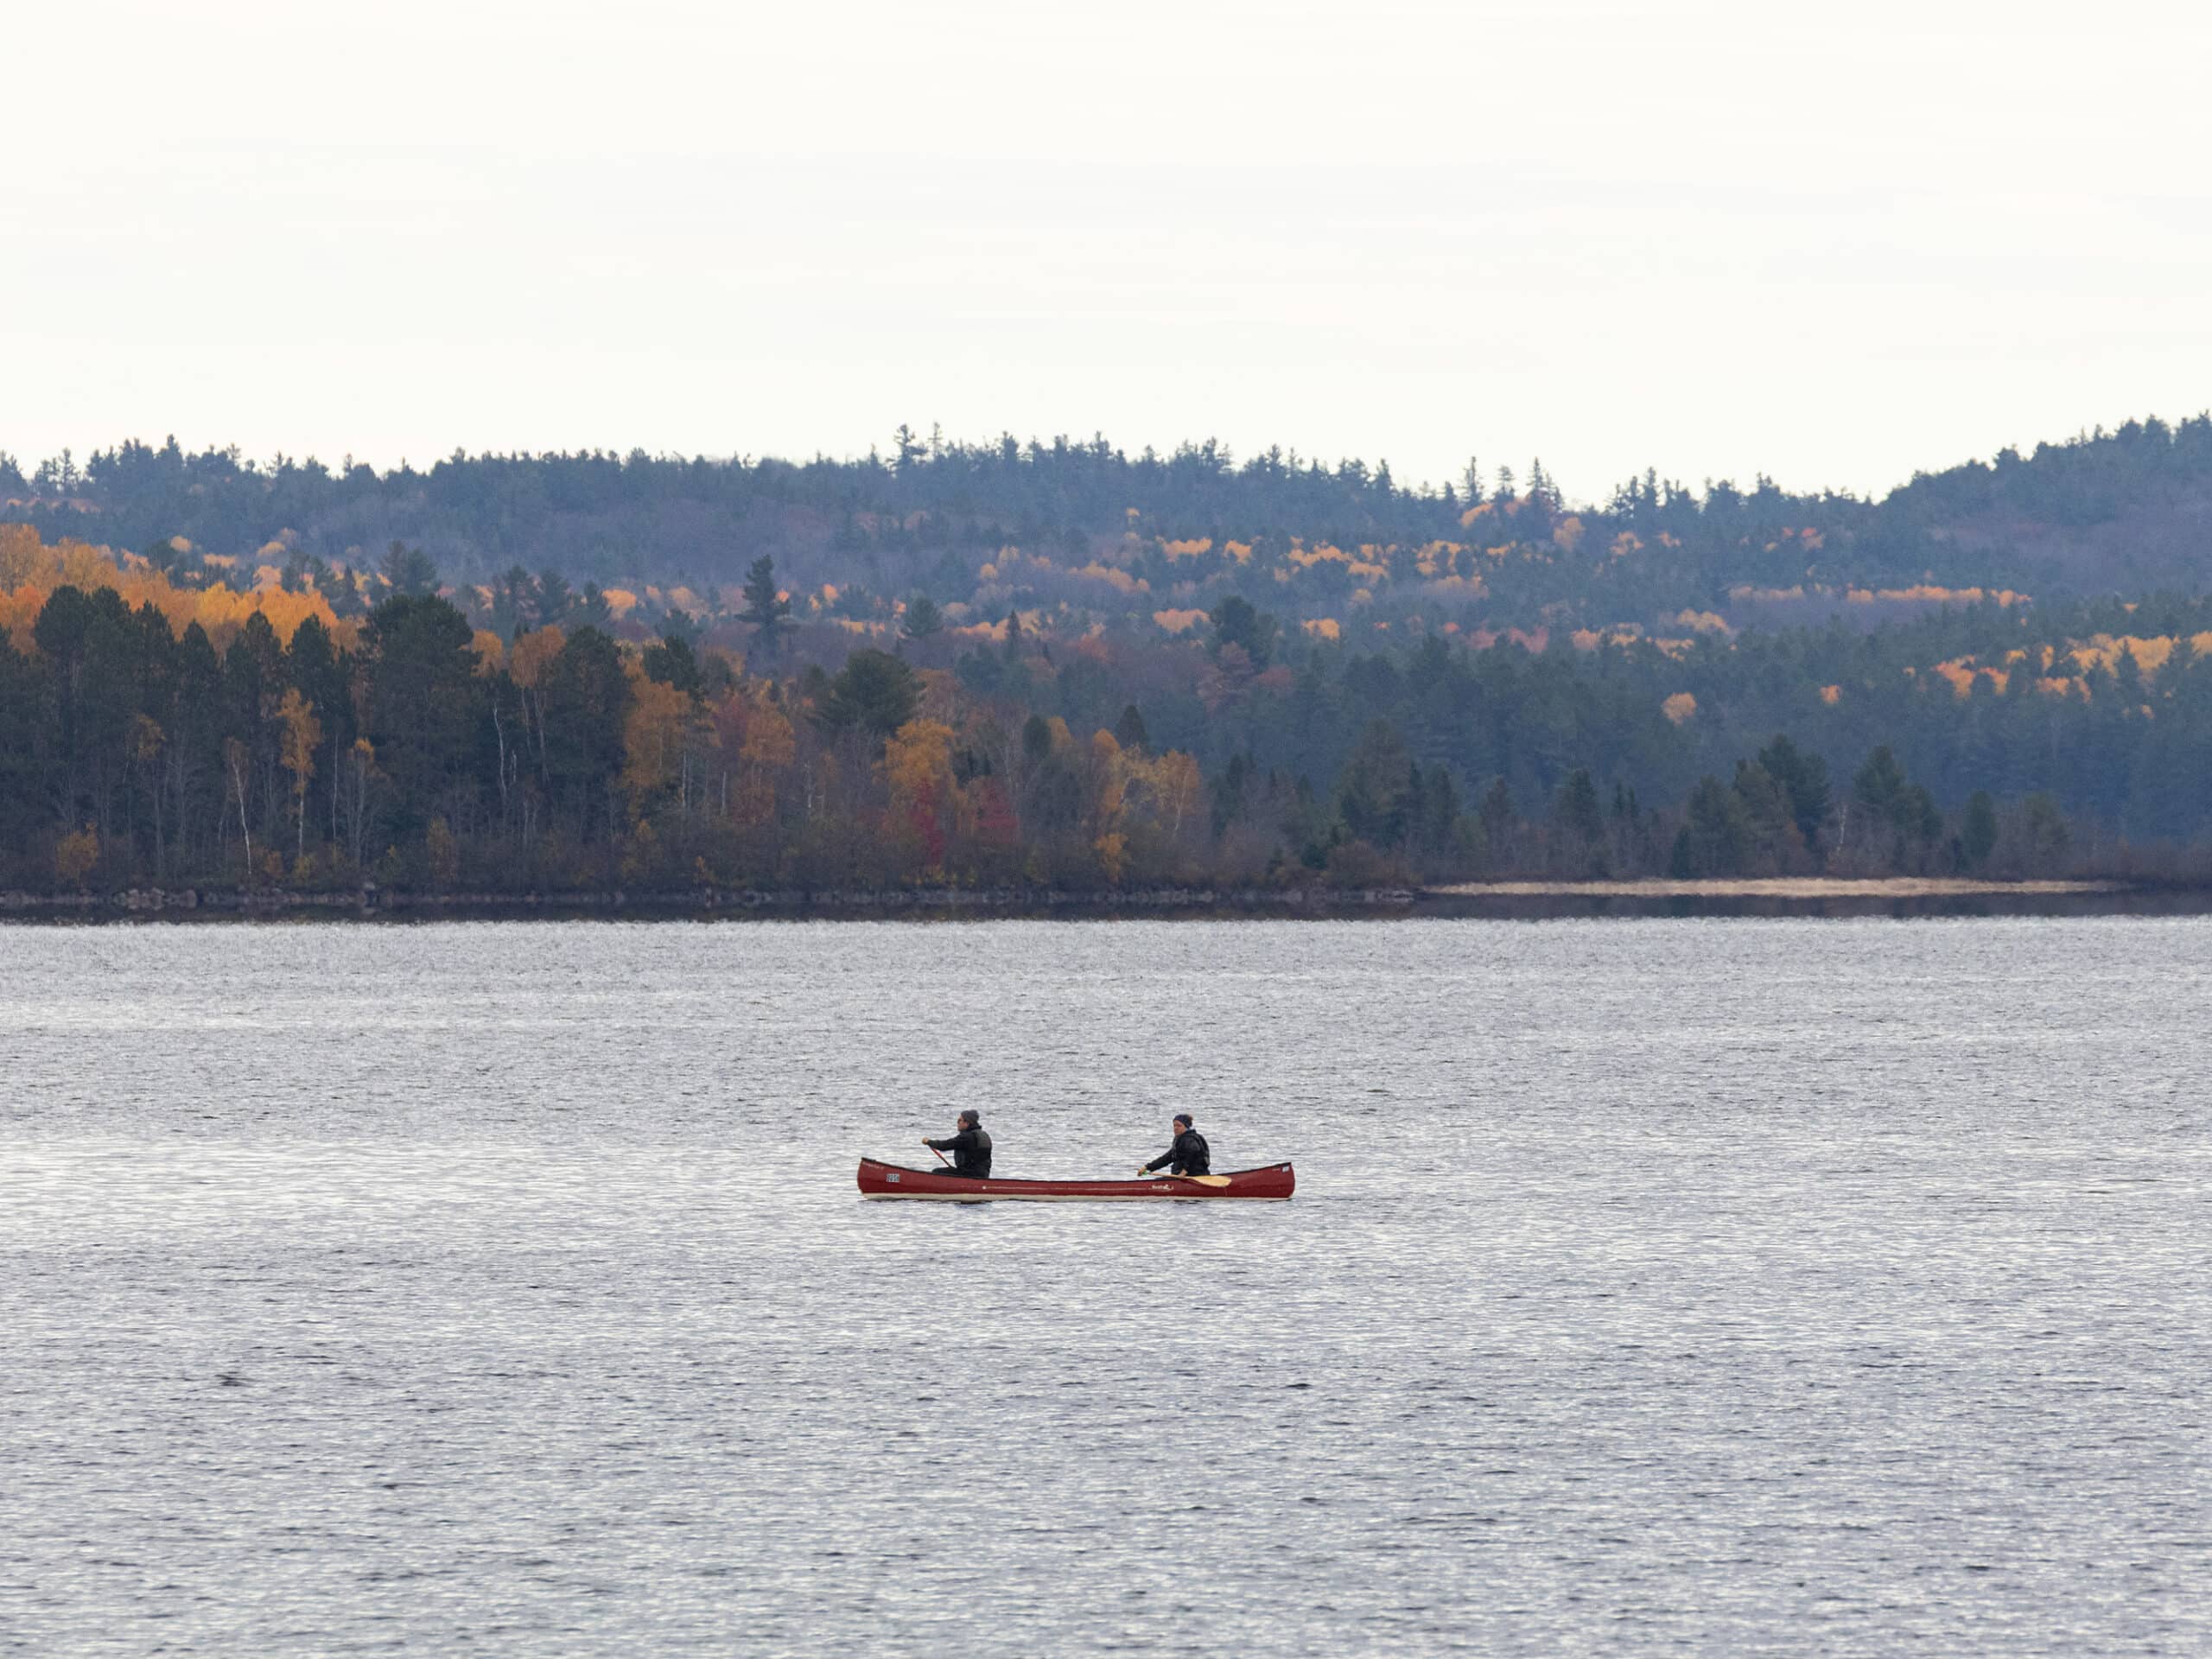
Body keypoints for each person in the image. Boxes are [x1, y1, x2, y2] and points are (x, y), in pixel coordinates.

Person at [924, 1109, 992, 1179]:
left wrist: (929, 1142)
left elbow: (945, 1145)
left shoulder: (966, 1137)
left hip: (969, 1174)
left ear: (967, 1123)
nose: (957, 1123)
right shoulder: (984, 1135)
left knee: (937, 1172)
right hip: (983, 1175)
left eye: (959, 1120)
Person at [1140, 1112, 1210, 1177]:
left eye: (1179, 1126)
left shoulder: (1189, 1139)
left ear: (1186, 1127)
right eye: (1174, 1125)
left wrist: (1184, 1172)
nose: (1175, 1128)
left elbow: (1194, 1153)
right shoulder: (1180, 1139)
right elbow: (1167, 1158)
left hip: (1192, 1176)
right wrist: (1148, 1167)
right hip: (1181, 1177)